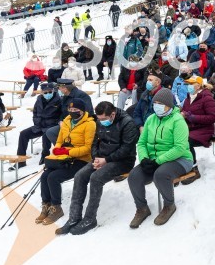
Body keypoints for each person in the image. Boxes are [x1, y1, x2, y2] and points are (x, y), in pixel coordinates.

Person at [57, 101, 140, 235]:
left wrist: (106, 160)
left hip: (122, 161)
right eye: (99, 119)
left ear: (112, 114)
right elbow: (95, 142)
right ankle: (74, 217)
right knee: (80, 176)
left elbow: (127, 148)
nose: (101, 121)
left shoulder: (127, 123)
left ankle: (90, 219)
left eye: (103, 119)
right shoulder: (99, 121)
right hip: (101, 158)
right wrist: (96, 157)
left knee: (96, 178)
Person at [127, 88, 193, 228]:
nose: (156, 105)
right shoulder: (151, 119)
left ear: (169, 105)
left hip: (180, 159)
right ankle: (142, 208)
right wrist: (144, 159)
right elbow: (142, 142)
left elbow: (180, 148)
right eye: (155, 103)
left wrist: (158, 161)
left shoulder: (178, 120)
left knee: (161, 174)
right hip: (153, 159)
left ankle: (169, 205)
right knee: (134, 176)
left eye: (160, 103)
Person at [36, 99, 95, 226]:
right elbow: (59, 141)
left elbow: (88, 148)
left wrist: (69, 152)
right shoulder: (67, 121)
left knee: (53, 177)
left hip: (81, 159)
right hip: (64, 158)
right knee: (44, 175)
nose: (72, 112)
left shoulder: (89, 124)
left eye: (75, 110)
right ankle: (46, 205)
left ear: (82, 111)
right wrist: (57, 149)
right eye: (70, 109)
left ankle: (56, 207)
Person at [12, 82, 63, 169]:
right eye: (45, 92)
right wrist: (36, 122)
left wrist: (56, 123)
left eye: (50, 91)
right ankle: (21, 160)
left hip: (51, 126)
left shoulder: (59, 100)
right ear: (42, 92)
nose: (48, 94)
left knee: (46, 134)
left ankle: (45, 155)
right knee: (23, 134)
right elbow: (35, 112)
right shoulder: (39, 99)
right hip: (39, 126)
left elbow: (62, 115)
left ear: (53, 91)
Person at [181, 76, 215, 179]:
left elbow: (212, 117)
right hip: (190, 128)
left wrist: (192, 117)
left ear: (198, 86)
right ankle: (182, 166)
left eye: (191, 84)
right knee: (176, 139)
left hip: (204, 130)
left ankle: (193, 170)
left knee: (185, 141)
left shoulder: (207, 98)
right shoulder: (188, 98)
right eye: (188, 84)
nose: (189, 86)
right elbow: (185, 111)